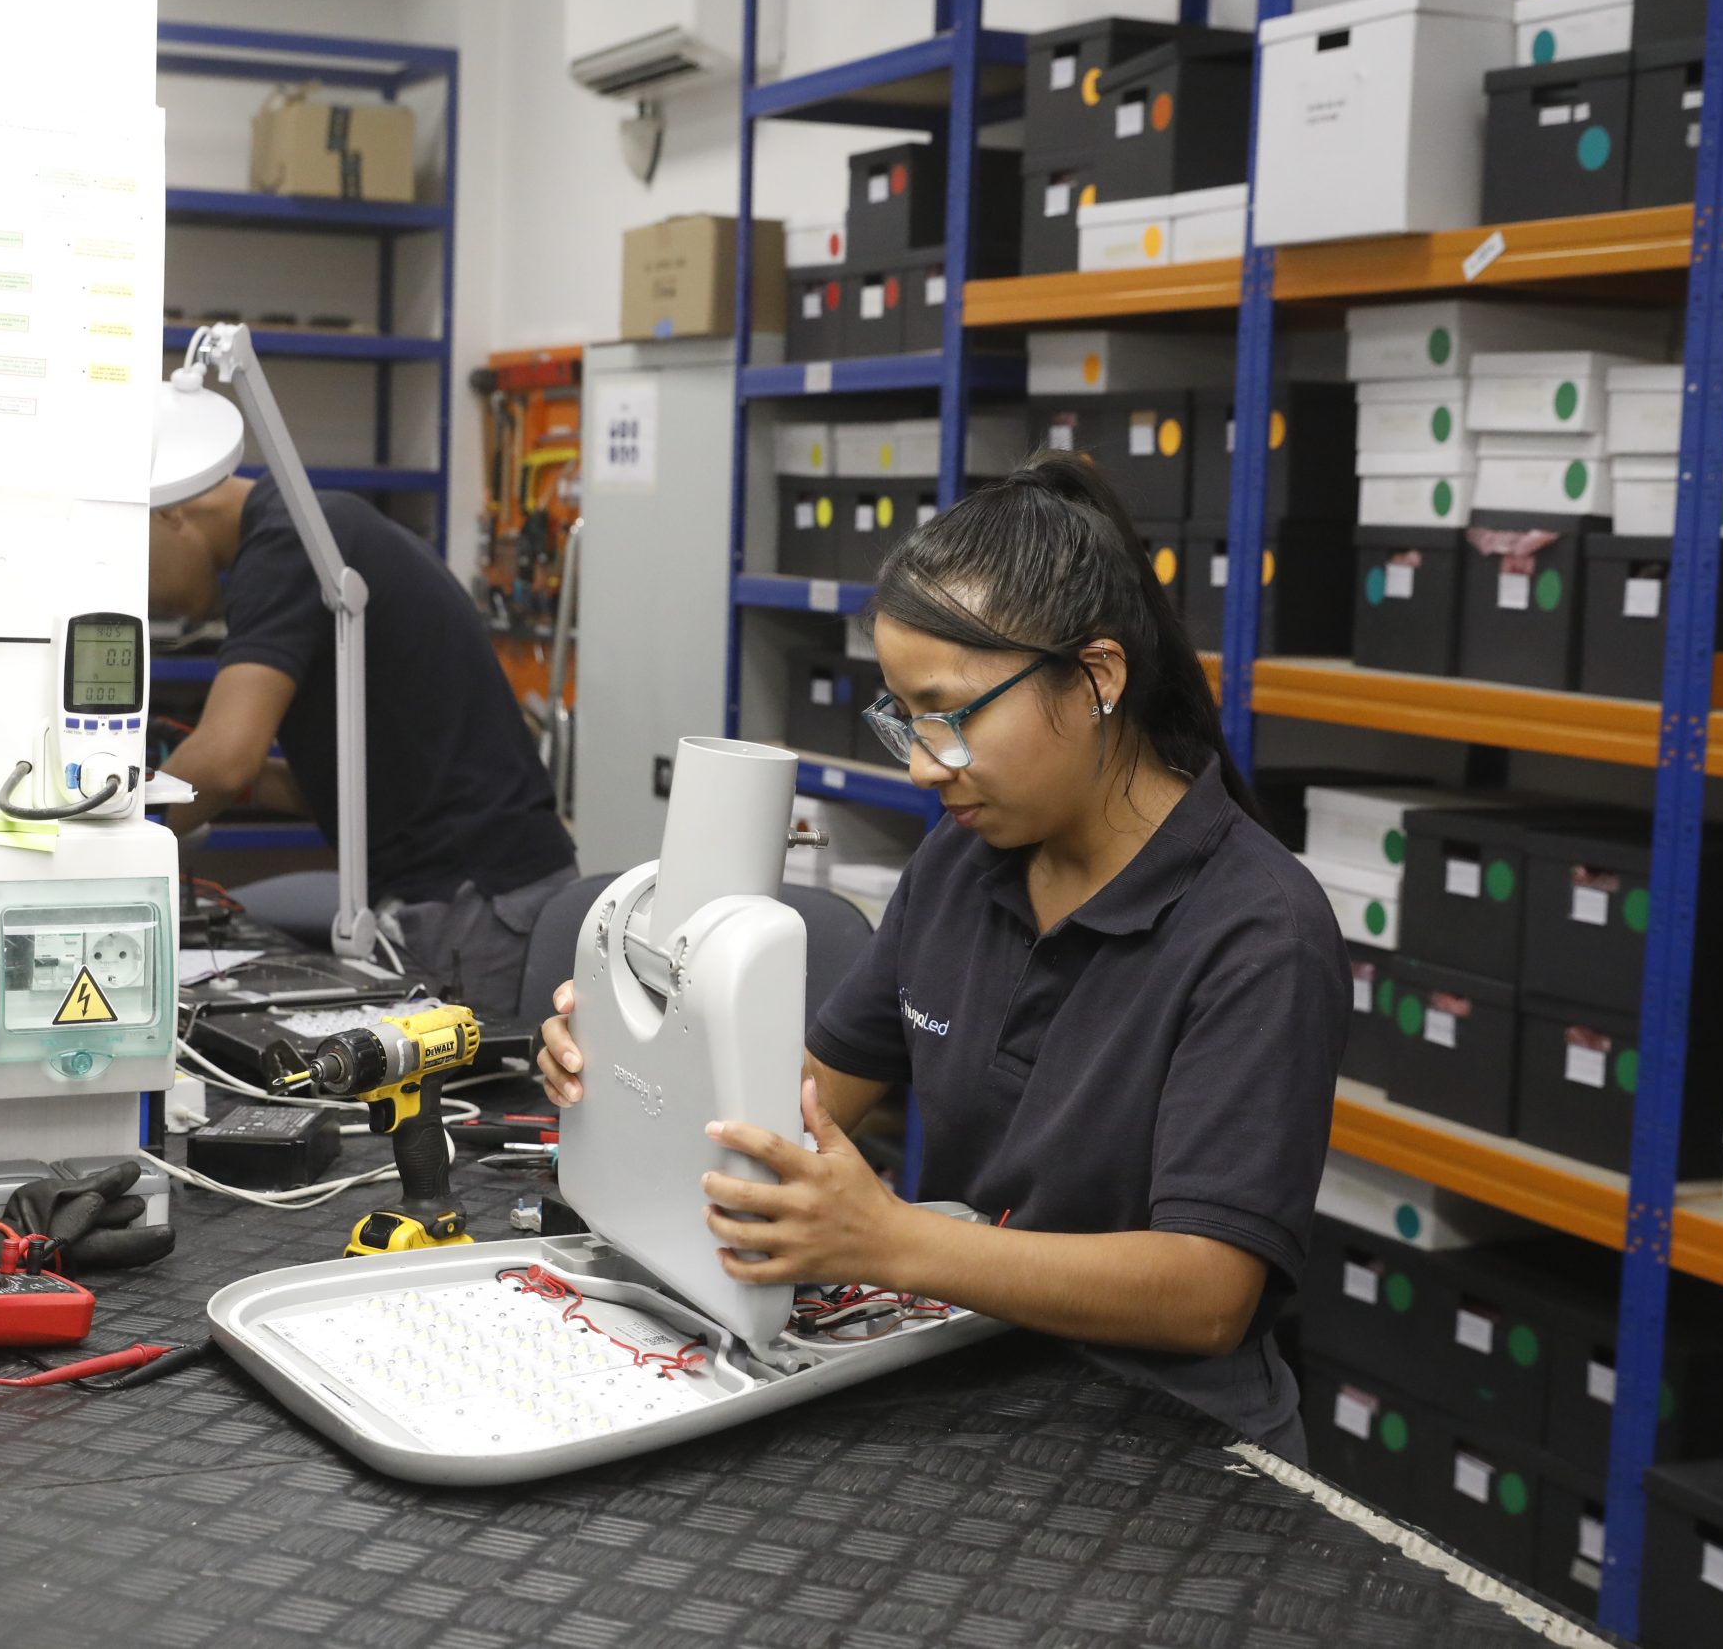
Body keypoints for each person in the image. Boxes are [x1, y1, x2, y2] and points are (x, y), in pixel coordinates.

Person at [536, 452, 1345, 1460]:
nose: (923, 766)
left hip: (1170, 1442)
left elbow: (1207, 1293)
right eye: (903, 719)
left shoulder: (1260, 933)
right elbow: (798, 1109)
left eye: (950, 718)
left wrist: (895, 1242)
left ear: (1097, 678)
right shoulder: (963, 864)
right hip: (976, 1378)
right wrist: (630, 1067)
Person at [150, 473, 576, 1006]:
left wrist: (119, 844)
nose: (150, 601)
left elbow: (224, 761)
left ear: (168, 511)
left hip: (474, 904)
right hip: (484, 890)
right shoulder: (318, 526)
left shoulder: (289, 542)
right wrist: (236, 780)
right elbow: (359, 786)